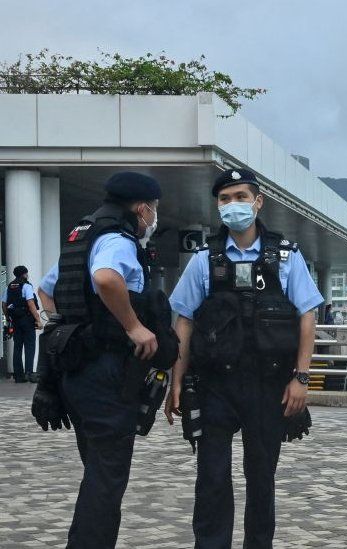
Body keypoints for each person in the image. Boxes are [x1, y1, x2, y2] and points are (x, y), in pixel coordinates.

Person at [165, 168, 322, 549]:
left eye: (240, 196)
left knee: (261, 478)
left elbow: (308, 315)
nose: (232, 205)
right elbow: (183, 321)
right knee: (212, 479)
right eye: (224, 199)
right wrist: (176, 381)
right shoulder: (204, 260)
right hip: (215, 386)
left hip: (269, 386)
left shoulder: (285, 257)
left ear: (258, 201)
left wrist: (301, 378)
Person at [34, 171, 175, 548]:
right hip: (106, 373)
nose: (153, 218)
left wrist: (65, 328)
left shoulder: (83, 235)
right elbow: (108, 278)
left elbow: (46, 292)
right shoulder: (117, 239)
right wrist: (133, 326)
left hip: (77, 373)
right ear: (142, 208)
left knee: (97, 470)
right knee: (107, 479)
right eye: (154, 210)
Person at [3, 265, 42, 382]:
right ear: (24, 274)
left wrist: (8, 317)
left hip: (15, 320)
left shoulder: (9, 287)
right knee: (30, 346)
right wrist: (38, 320)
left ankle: (18, 376)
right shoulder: (26, 286)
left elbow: (3, 304)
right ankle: (29, 373)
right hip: (27, 320)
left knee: (17, 347)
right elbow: (30, 303)